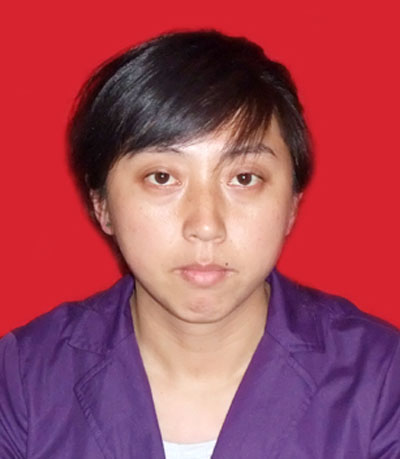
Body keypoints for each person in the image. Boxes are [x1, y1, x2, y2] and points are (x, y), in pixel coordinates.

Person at [0, 30, 399, 459]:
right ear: (102, 205)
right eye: (161, 177)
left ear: (292, 204)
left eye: (244, 178)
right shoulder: (24, 380)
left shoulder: (381, 379)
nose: (206, 226)